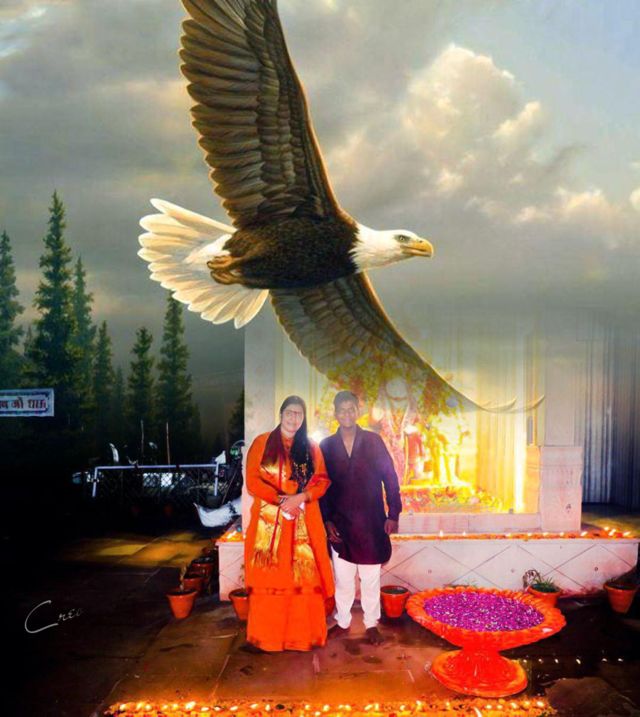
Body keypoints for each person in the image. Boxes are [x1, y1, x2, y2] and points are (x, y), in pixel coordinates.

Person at [244, 395, 335, 652]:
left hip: (303, 522)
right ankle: (268, 638)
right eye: (290, 412)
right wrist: (281, 501)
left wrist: (300, 498)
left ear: (303, 419)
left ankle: (302, 637)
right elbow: (252, 480)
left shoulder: (311, 448)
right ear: (281, 413)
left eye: (299, 414)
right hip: (269, 522)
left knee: (303, 577)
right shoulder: (262, 443)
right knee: (271, 577)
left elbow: (322, 481)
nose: (294, 418)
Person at [320, 390, 402, 645]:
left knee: (370, 578)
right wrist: (327, 520)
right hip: (340, 524)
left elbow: (390, 477)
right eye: (342, 409)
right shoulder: (326, 446)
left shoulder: (373, 441)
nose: (347, 413)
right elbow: (321, 486)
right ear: (335, 413)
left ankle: (371, 624)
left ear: (358, 411)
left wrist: (393, 513)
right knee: (343, 579)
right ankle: (343, 621)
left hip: (371, 522)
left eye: (351, 408)